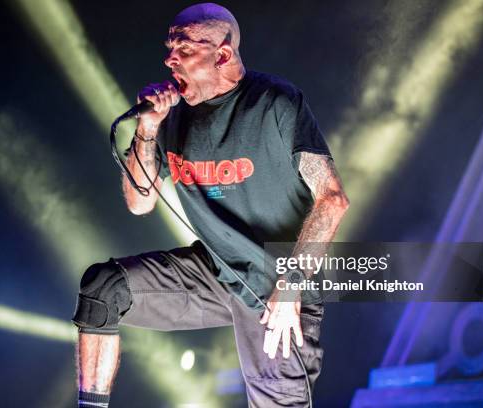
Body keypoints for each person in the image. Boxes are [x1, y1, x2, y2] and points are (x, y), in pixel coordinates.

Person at [72, 3, 349, 407]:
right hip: (215, 272)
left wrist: (290, 288)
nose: (170, 59)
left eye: (183, 48)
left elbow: (333, 198)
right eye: (169, 48)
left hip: (274, 288)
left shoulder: (275, 102)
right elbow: (139, 202)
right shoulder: (172, 118)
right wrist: (148, 128)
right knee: (104, 287)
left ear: (221, 53)